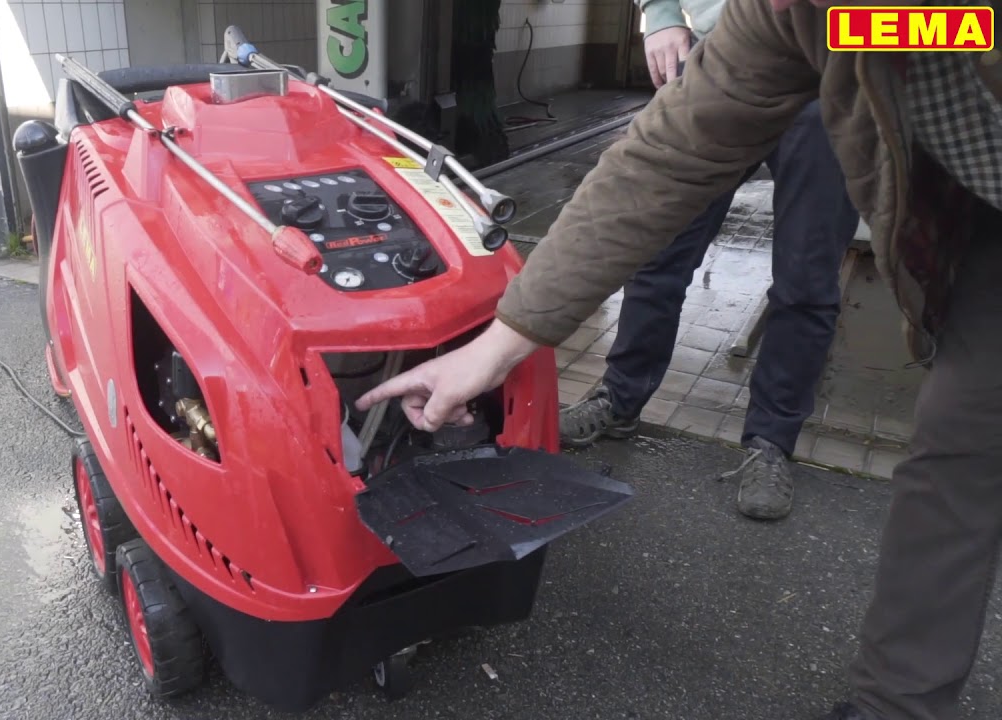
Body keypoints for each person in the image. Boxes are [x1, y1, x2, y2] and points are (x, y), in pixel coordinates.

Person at [356, 0, 1002, 716]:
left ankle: (771, 441)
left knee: (808, 281)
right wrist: (497, 348)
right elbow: (661, 163)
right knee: (959, 451)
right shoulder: (796, 15)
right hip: (984, 206)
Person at [559, 0, 858, 522]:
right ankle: (621, 398)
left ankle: (771, 441)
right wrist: (662, 12)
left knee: (806, 281)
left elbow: (957, 26)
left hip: (834, 70)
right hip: (718, 60)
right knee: (659, 253)